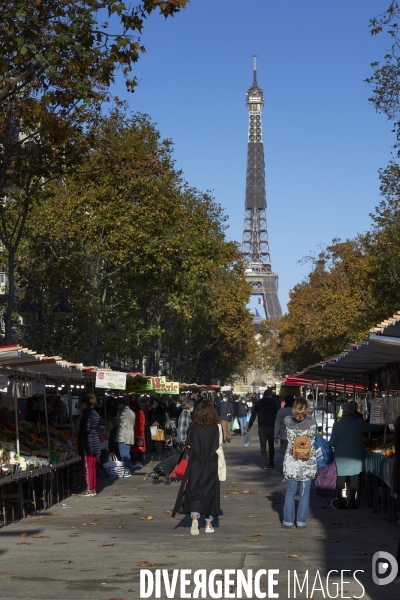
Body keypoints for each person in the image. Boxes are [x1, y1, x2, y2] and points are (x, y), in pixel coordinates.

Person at [173, 399, 221, 535]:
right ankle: (208, 524)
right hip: (211, 462)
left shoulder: (193, 426)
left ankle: (194, 518)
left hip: (195, 462)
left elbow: (188, 444)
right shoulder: (216, 427)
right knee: (210, 493)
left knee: (194, 491)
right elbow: (219, 444)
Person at [330, 402, 383, 509]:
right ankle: (352, 502)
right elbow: (373, 428)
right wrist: (383, 425)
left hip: (341, 457)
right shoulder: (359, 423)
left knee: (340, 479)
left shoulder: (337, 425)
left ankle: (340, 502)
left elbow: (332, 443)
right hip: (355, 456)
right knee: (354, 478)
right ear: (353, 411)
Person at [282, 398, 317, 528]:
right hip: (308, 462)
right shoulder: (312, 423)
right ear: (307, 408)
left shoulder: (288, 423)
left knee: (290, 492)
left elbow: (288, 440)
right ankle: (301, 521)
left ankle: (288, 520)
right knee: (304, 493)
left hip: (292, 461)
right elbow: (314, 439)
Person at [247, 388, 278, 469]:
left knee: (263, 446)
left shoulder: (258, 403)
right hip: (271, 426)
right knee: (271, 446)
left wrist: (249, 426)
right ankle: (271, 463)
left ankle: (265, 464)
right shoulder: (274, 403)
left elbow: (253, 415)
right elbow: (277, 416)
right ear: (271, 395)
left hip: (262, 427)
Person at [77, 394, 100, 497]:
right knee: (92, 467)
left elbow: (86, 429)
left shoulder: (87, 414)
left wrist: (79, 432)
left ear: (84, 403)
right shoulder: (95, 413)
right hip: (94, 442)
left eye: (81, 404)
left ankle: (89, 489)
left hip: (87, 443)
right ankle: (93, 488)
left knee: (87, 467)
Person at [115, 397, 135, 477]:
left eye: (118, 404)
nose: (118, 406)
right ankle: (128, 470)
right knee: (127, 452)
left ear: (121, 403)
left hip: (122, 434)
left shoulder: (123, 412)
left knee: (124, 454)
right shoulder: (131, 412)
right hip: (130, 434)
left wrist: (115, 421)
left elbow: (119, 423)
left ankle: (126, 471)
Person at [131, 401, 146, 468]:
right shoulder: (140, 412)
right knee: (138, 448)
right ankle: (139, 461)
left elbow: (140, 424)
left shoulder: (139, 413)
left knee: (139, 447)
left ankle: (139, 462)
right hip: (139, 432)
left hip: (139, 433)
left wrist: (138, 434)